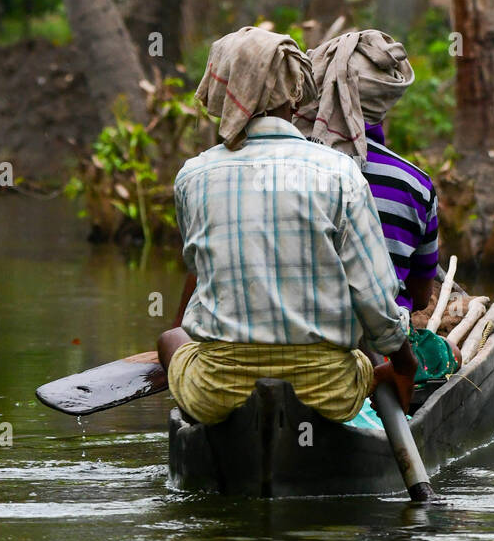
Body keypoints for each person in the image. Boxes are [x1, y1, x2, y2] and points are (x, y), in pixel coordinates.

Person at [157, 26, 417, 425]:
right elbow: (377, 300)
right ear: (295, 92)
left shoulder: (193, 175)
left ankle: (205, 428)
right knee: (361, 364)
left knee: (171, 339)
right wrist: (403, 364)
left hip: (220, 390)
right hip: (328, 393)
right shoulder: (339, 171)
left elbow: (202, 272)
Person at [296, 29, 442, 316]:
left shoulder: (282, 169)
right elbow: (421, 297)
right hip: (386, 348)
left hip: (295, 333)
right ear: (386, 100)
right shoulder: (415, 184)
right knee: (452, 353)